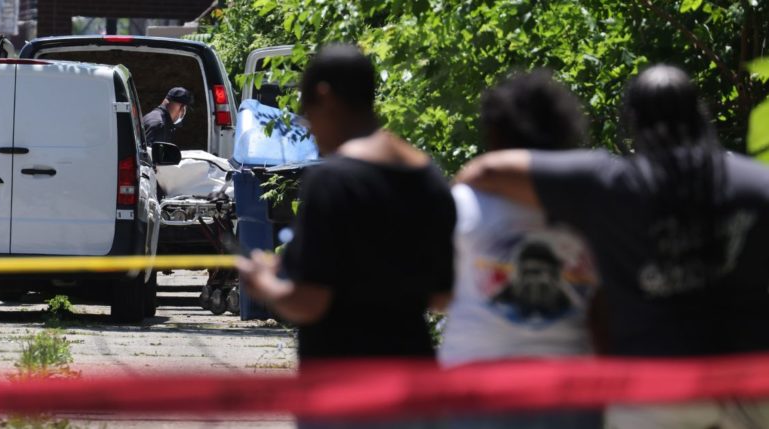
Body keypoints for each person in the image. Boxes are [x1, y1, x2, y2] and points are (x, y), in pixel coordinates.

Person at [456, 64, 769, 428]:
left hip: (654, 393)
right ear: (701, 114)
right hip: (751, 380)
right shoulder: (757, 185)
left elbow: (489, 171)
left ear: (633, 121)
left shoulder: (612, 185)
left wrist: (462, 198)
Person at [236, 44, 456, 364]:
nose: (309, 129)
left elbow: (308, 301)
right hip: (414, 376)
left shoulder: (333, 181)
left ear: (325, 98)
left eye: (307, 114)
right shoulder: (427, 174)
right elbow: (442, 296)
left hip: (342, 383)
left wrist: (263, 282)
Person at [437, 71, 601, 429]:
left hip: (476, 389)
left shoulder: (464, 201)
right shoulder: (598, 207)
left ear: (495, 133)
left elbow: (436, 294)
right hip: (570, 391)